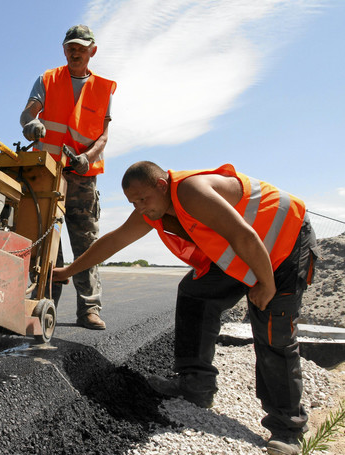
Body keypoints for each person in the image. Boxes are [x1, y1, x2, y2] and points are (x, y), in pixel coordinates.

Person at [53, 161, 317, 455]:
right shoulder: (153, 212)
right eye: (133, 202)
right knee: (195, 293)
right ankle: (196, 386)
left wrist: (266, 284)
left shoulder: (191, 191)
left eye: (143, 198)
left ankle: (287, 428)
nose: (140, 207)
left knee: (273, 332)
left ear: (162, 185)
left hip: (285, 243)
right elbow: (114, 241)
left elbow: (243, 234)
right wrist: (68, 271)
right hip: (245, 250)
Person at [20, 24, 117, 330]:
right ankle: (43, 306)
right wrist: (30, 125)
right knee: (46, 241)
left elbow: (102, 137)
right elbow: (28, 113)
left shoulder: (103, 87)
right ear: (64, 50)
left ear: (92, 51)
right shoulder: (48, 79)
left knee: (85, 242)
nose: (75, 51)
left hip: (81, 176)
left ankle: (89, 308)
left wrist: (87, 159)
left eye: (81, 47)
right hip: (46, 172)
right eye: (70, 47)